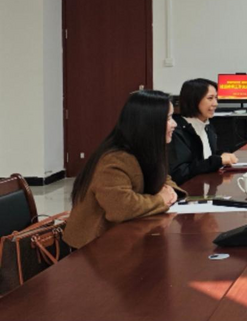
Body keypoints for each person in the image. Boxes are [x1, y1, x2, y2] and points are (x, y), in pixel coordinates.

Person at [64, 90, 187, 249]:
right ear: (150, 122)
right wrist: (161, 199)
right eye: (169, 118)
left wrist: (170, 192)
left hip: (125, 240)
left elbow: (165, 180)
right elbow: (121, 208)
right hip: (93, 249)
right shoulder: (114, 159)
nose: (175, 124)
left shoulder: (146, 150)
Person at [169, 78, 238, 185]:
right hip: (189, 190)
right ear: (193, 100)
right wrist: (217, 160)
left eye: (216, 98)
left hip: (206, 186)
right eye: (210, 98)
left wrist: (222, 154)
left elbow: (207, 155)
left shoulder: (207, 126)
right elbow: (181, 173)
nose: (215, 104)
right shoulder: (176, 131)